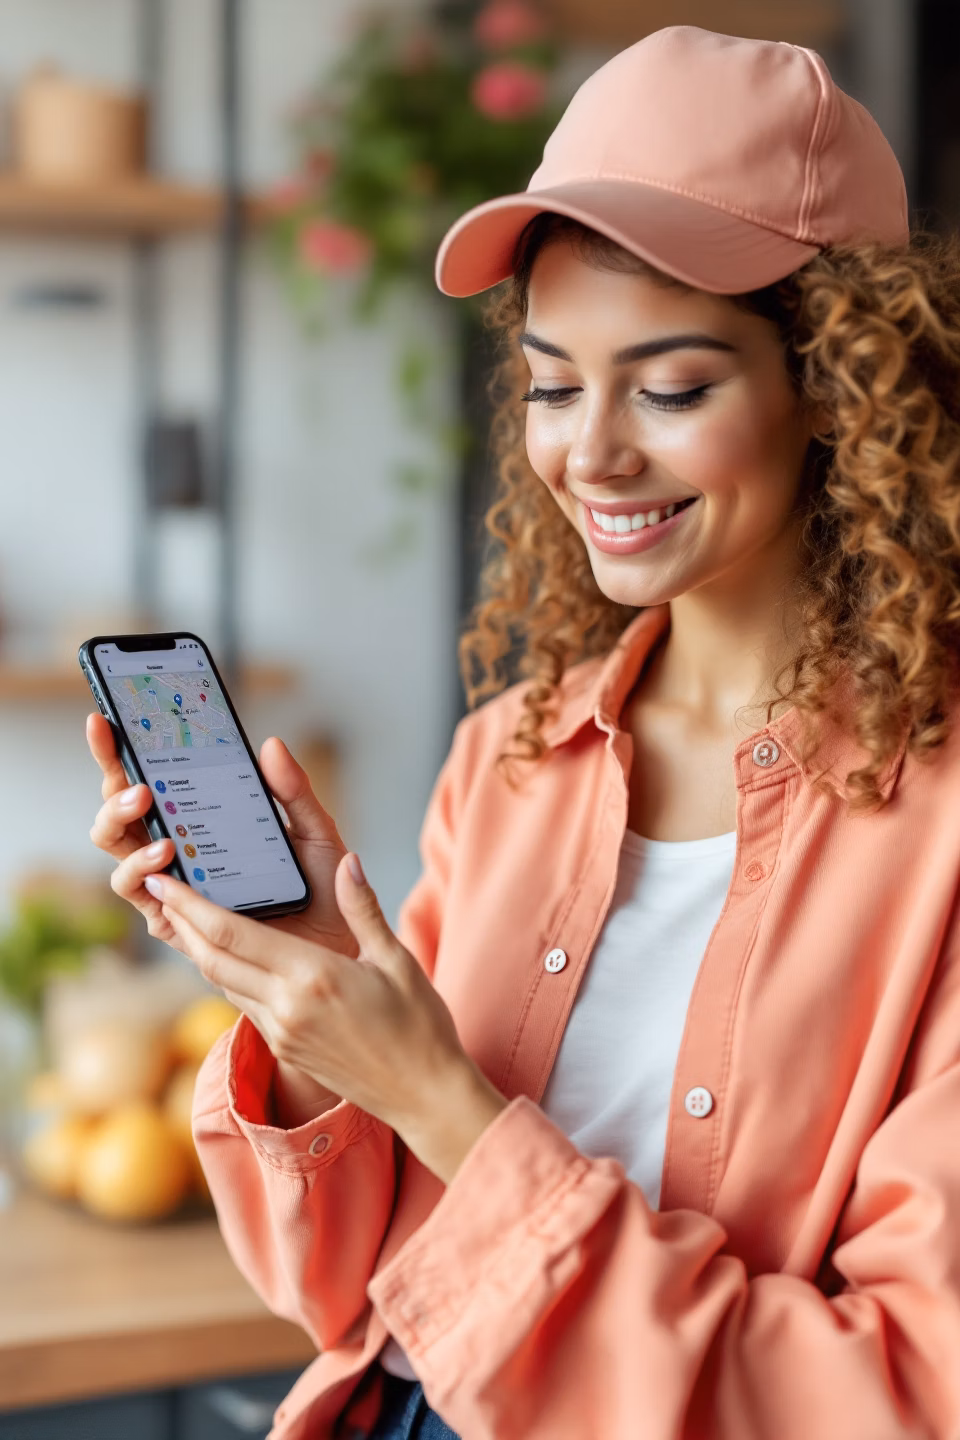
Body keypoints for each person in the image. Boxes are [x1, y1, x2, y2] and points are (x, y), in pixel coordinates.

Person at [85, 25, 960, 1440]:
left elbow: (904, 1395)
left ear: (841, 392)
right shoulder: (515, 755)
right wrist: (312, 1000)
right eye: (555, 384)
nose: (592, 454)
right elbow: (346, 1291)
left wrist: (439, 1097)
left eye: (671, 388)